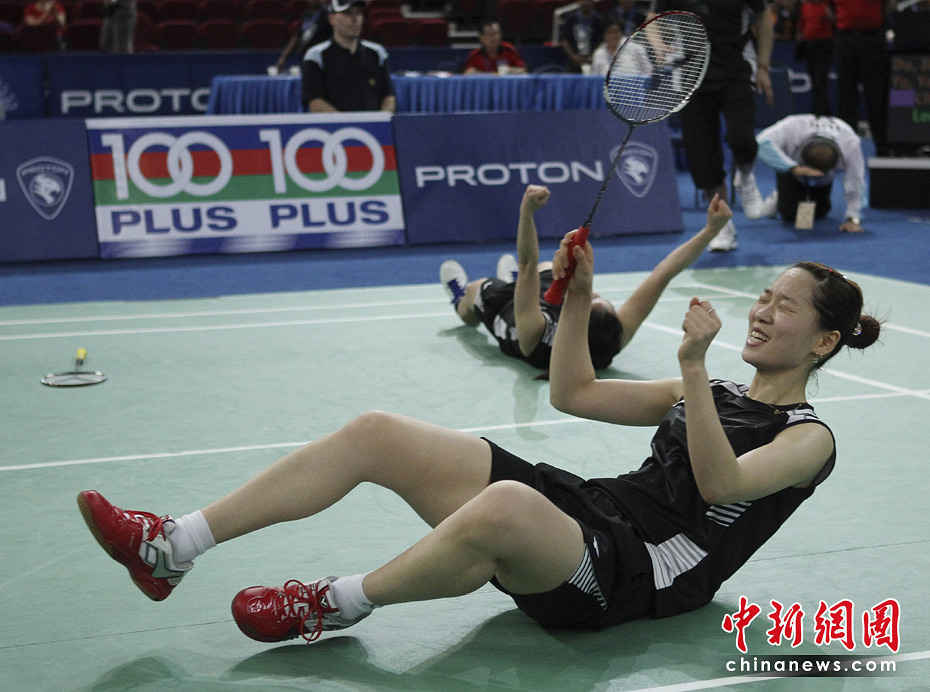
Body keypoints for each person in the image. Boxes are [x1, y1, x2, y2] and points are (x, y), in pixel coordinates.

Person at [76, 250, 881, 643]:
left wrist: (694, 368)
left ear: (825, 341)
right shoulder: (713, 390)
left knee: (504, 506)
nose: (762, 311)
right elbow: (574, 392)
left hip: (635, 576)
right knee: (379, 433)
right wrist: (579, 298)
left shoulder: (808, 437)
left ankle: (330, 603)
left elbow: (719, 484)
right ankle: (173, 545)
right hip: (588, 515)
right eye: (763, 296)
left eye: (785, 306)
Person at [440, 185, 731, 372]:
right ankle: (518, 286)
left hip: (513, 316)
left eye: (593, 299)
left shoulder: (535, 338)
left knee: (476, 292)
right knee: (546, 266)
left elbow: (526, 264)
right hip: (549, 303)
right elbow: (663, 274)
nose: (595, 294)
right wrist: (710, 230)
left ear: (578, 319)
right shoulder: (613, 337)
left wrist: (526, 213)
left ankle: (460, 299)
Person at [648, 0, 775, 253]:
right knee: (703, 158)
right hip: (692, 75)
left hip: (737, 68)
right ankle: (721, 227)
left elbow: (764, 16)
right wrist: (658, 45)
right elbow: (652, 17)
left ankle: (745, 177)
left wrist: (763, 66)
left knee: (742, 138)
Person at [752, 114, 867, 232]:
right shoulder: (792, 127)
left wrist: (853, 218)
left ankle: (816, 188)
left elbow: (856, 180)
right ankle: (778, 194)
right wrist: (792, 167)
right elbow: (761, 142)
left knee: (819, 214)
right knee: (790, 215)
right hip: (793, 170)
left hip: (825, 179)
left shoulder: (850, 143)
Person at [302, 0, 396, 113]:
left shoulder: (377, 53)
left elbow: (389, 96)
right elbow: (314, 101)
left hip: (373, 122)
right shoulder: (316, 56)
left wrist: (381, 119)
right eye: (347, 13)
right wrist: (347, 122)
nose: (355, 19)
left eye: (358, 13)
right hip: (334, 123)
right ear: (331, 18)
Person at [832, 0, 898, 154]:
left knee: (876, 95)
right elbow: (827, 7)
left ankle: (883, 147)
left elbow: (891, 3)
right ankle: (846, 149)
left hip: (873, 37)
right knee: (846, 95)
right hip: (846, 38)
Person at [794, 0, 835, 117]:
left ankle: (822, 113)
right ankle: (818, 112)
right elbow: (800, 27)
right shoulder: (805, 7)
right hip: (810, 47)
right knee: (814, 81)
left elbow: (836, 23)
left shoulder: (827, 6)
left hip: (824, 47)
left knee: (820, 81)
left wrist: (830, 15)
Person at [275, 0, 332, 74]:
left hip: (323, 62)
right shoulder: (306, 15)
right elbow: (297, 37)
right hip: (306, 60)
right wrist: (283, 57)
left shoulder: (329, 15)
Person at [560, 0, 606, 72]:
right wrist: (573, 56)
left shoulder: (599, 20)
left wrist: (592, 56)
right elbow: (564, 40)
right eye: (583, 0)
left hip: (593, 60)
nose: (585, 3)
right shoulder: (569, 19)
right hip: (573, 61)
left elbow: (601, 41)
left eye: (588, 1)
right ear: (578, 1)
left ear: (592, 2)